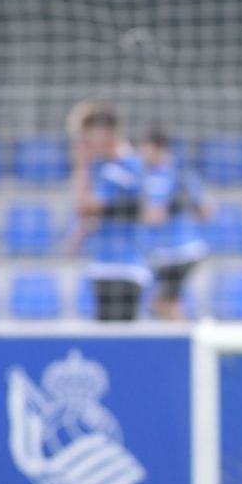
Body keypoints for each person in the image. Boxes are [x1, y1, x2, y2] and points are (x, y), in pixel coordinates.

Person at [67, 100, 150, 321]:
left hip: (124, 268)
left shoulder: (124, 168)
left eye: (88, 135)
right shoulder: (105, 167)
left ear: (108, 132)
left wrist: (81, 165)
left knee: (121, 334)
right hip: (105, 265)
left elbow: (86, 206)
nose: (86, 142)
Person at [139, 126, 210, 320]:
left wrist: (181, 206)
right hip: (164, 254)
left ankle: (184, 335)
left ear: (155, 147)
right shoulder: (151, 176)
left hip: (180, 252)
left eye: (144, 147)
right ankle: (182, 331)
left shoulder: (176, 175)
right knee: (163, 303)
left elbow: (205, 212)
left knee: (162, 302)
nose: (141, 153)